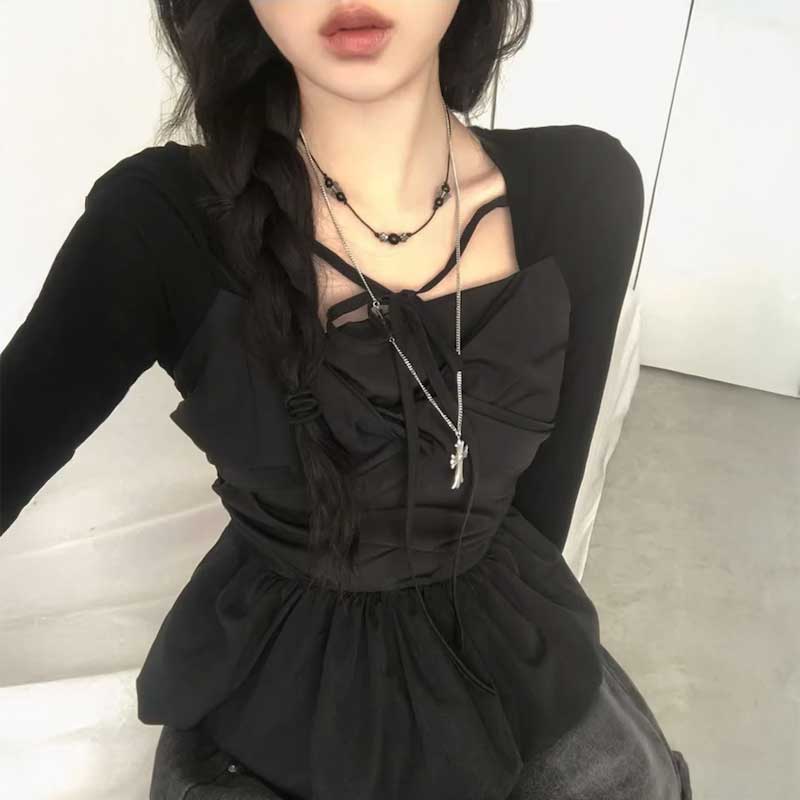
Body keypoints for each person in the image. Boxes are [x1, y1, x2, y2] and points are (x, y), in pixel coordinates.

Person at [0, 1, 693, 798]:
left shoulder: (584, 190)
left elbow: (539, 523)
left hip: (514, 671)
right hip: (272, 709)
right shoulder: (158, 223)